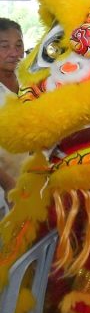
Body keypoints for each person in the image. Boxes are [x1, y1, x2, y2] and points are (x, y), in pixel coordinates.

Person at [0, 18, 26, 192]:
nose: (14, 53)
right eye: (4, 46)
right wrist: (8, 184)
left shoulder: (30, 80)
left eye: (18, 45)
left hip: (36, 181)